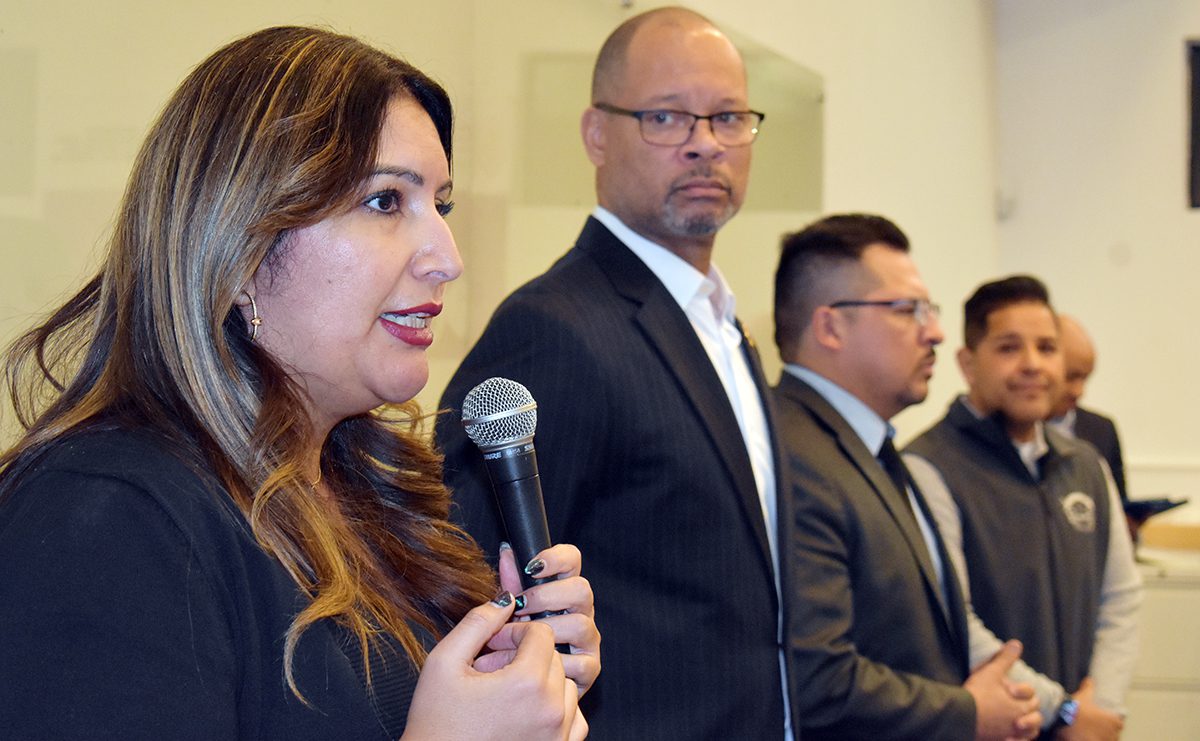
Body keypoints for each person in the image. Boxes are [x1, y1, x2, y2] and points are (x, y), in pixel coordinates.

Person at [0, 27, 599, 740]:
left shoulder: (366, 494)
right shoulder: (106, 515)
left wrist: (516, 685)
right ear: (242, 249)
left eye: (439, 205)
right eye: (385, 201)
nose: (447, 258)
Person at [437, 7, 788, 739]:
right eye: (666, 117)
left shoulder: (723, 322)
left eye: (728, 117)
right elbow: (470, 586)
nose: (705, 144)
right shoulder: (553, 328)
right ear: (596, 134)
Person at [772, 213, 1042, 740]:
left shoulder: (869, 447)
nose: (935, 332)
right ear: (830, 326)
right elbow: (818, 680)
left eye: (930, 311)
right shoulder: (792, 455)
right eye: (907, 310)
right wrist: (967, 712)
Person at [905, 276, 1141, 740]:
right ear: (968, 363)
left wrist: (1099, 707)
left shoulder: (1086, 466)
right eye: (1009, 348)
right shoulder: (927, 467)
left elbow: (1121, 598)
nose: (1033, 364)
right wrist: (1061, 711)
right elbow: (953, 620)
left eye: (1047, 348)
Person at [1048, 314, 1128, 503]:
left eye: (1085, 378)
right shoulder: (1008, 431)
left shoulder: (1102, 430)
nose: (1079, 391)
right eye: (1070, 377)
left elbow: (1118, 503)